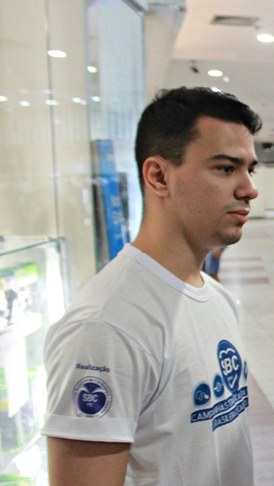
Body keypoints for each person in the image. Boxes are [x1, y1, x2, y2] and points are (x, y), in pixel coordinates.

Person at [42, 87, 261, 485]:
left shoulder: (217, 297)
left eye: (250, 169)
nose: (249, 188)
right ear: (159, 176)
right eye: (226, 169)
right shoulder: (106, 327)